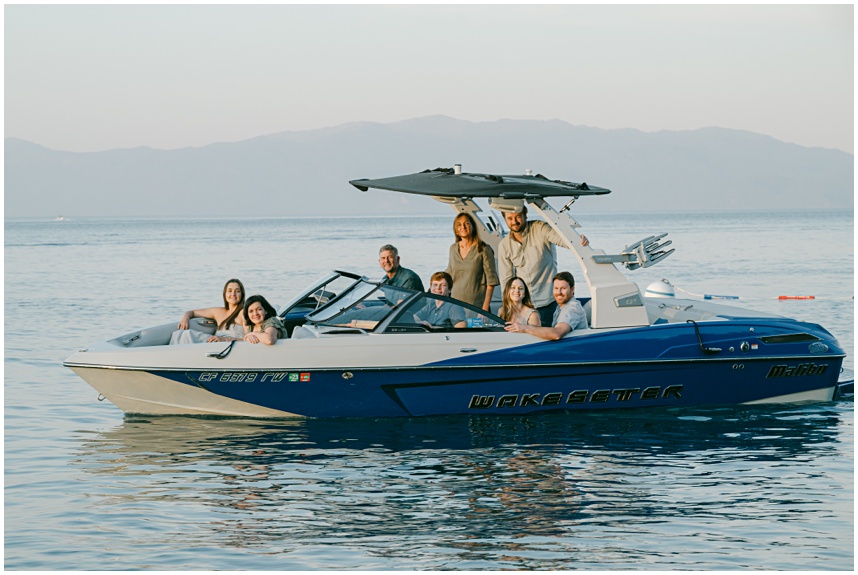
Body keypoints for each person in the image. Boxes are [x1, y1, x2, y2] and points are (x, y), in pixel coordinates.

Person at [497, 203, 588, 327]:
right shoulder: (504, 245)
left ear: (525, 215)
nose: (514, 221)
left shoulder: (540, 228)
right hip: (524, 307)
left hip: (547, 303)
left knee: (549, 341)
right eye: (510, 218)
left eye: (518, 216)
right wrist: (508, 307)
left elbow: (563, 240)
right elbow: (506, 281)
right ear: (505, 219)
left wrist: (578, 240)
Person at [504, 272, 587, 340]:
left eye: (563, 288)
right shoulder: (561, 307)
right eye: (556, 288)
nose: (559, 292)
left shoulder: (572, 309)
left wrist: (524, 328)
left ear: (572, 289)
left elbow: (557, 334)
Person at [445, 212, 499, 311]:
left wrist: (485, 308)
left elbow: (491, 281)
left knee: (474, 326)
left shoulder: (483, 249)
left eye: (466, 223)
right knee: (458, 326)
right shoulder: (453, 249)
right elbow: (449, 274)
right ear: (456, 230)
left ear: (472, 226)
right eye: (459, 224)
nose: (463, 227)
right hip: (455, 306)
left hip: (477, 307)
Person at [170, 278, 247, 344]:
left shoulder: (243, 313)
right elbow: (192, 312)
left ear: (242, 294)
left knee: (187, 334)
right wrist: (185, 317)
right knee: (180, 333)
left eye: (237, 291)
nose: (233, 294)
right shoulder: (219, 312)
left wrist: (224, 339)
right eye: (230, 291)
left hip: (229, 346)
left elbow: (248, 339)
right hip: (213, 344)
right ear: (225, 294)